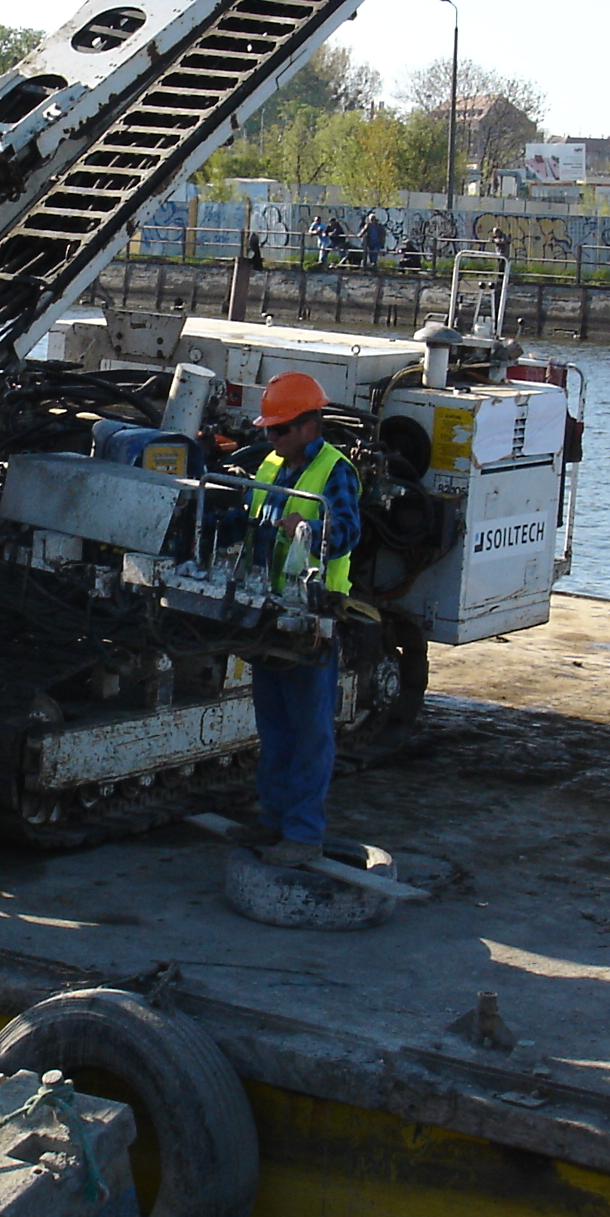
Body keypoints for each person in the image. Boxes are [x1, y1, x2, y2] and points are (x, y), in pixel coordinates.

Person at [242, 371, 360, 868]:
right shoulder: (269, 465)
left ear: (309, 425)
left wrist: (310, 528)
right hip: (268, 610)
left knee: (310, 729)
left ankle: (303, 832)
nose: (271, 438)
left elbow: (349, 532)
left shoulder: (336, 471)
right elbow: (247, 522)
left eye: (281, 430)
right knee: (274, 725)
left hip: (313, 616)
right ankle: (274, 818)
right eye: (269, 430)